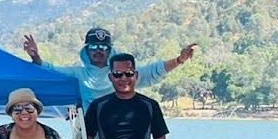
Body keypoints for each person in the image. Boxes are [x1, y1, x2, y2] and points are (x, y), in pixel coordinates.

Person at [22, 26, 197, 106]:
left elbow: (153, 71)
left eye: (104, 47)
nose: (99, 51)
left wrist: (179, 60)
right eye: (94, 47)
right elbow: (51, 71)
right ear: (86, 50)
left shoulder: (124, 75)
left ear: (110, 50)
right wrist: (36, 57)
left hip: (119, 138)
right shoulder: (78, 73)